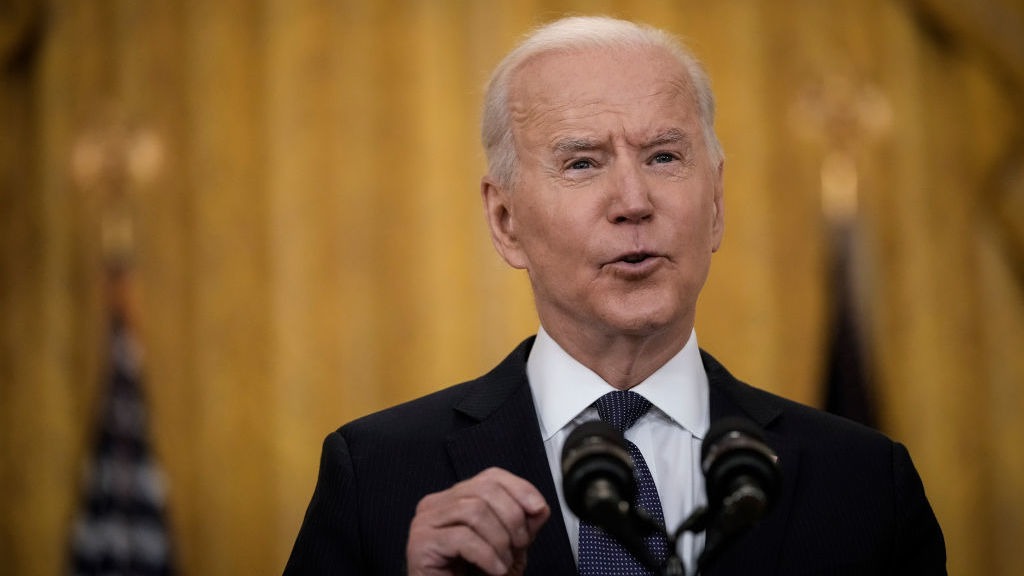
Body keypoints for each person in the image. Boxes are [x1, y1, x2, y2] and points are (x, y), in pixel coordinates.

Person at [283, 15, 946, 576]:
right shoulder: (377, 477)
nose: (633, 202)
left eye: (663, 157)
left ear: (714, 202)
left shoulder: (864, 483)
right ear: (505, 221)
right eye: (582, 163)